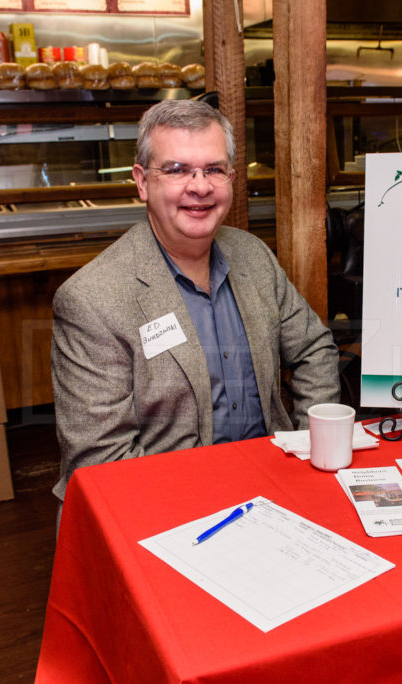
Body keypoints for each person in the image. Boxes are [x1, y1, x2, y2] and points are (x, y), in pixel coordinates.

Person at [50, 99, 340, 503]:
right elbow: (101, 461)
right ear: (141, 181)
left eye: (214, 170)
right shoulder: (92, 300)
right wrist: (206, 502)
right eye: (176, 170)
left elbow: (313, 348)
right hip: (167, 506)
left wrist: (311, 445)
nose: (200, 186)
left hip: (276, 487)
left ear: (232, 179)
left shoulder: (253, 256)